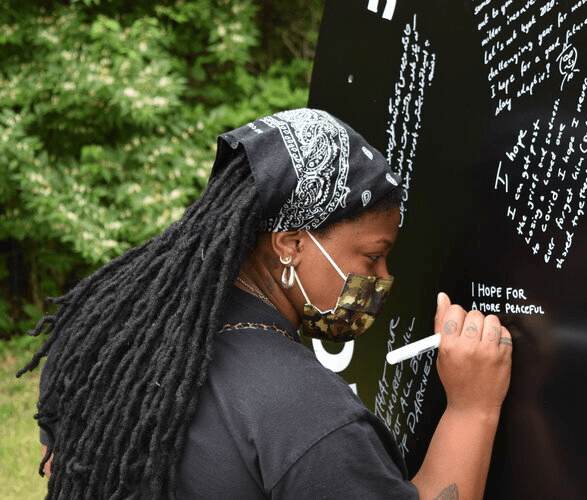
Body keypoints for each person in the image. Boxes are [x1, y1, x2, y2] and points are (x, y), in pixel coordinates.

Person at [20, 108, 513, 499]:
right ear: (290, 244)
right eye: (373, 256)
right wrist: (472, 409)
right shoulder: (309, 418)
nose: (384, 278)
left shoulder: (100, 338)